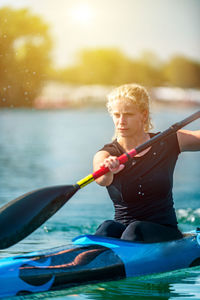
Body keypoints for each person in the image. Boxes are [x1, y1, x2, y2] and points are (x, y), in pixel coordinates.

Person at [93, 83, 200, 243]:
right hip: (125, 234)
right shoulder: (106, 154)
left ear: (144, 115)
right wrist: (108, 170)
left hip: (164, 232)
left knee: (135, 229)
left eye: (128, 114)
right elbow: (102, 179)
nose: (121, 121)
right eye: (116, 115)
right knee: (107, 227)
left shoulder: (168, 141)